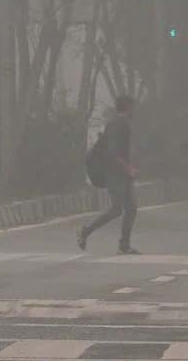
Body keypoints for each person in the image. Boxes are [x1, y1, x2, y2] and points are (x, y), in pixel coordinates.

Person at [77, 95, 139, 255]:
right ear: (128, 107)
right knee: (116, 209)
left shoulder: (118, 123)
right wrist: (128, 168)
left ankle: (124, 245)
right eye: (133, 107)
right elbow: (114, 152)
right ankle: (85, 231)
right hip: (115, 173)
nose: (134, 110)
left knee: (131, 207)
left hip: (122, 174)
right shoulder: (119, 124)